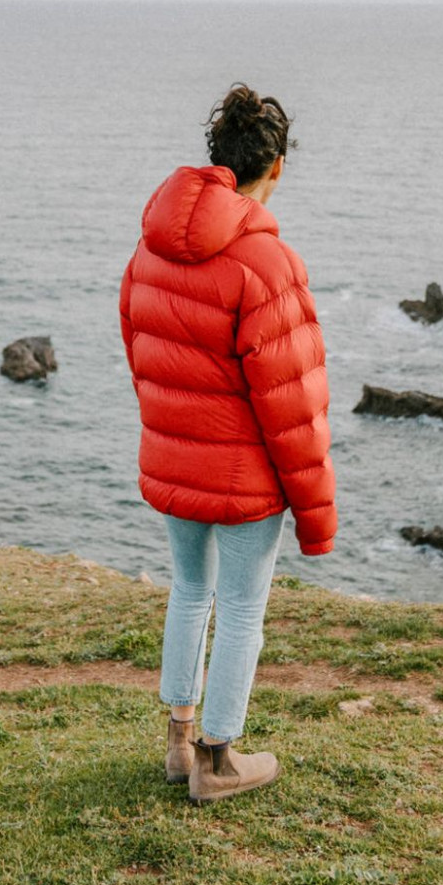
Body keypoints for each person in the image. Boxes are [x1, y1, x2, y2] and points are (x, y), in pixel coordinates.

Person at [119, 83, 337, 804]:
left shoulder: (147, 250)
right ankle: (218, 762)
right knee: (242, 608)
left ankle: (180, 745)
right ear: (275, 166)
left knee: (189, 590)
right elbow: (295, 408)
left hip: (177, 461)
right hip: (244, 479)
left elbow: (141, 354)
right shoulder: (267, 265)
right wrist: (316, 515)